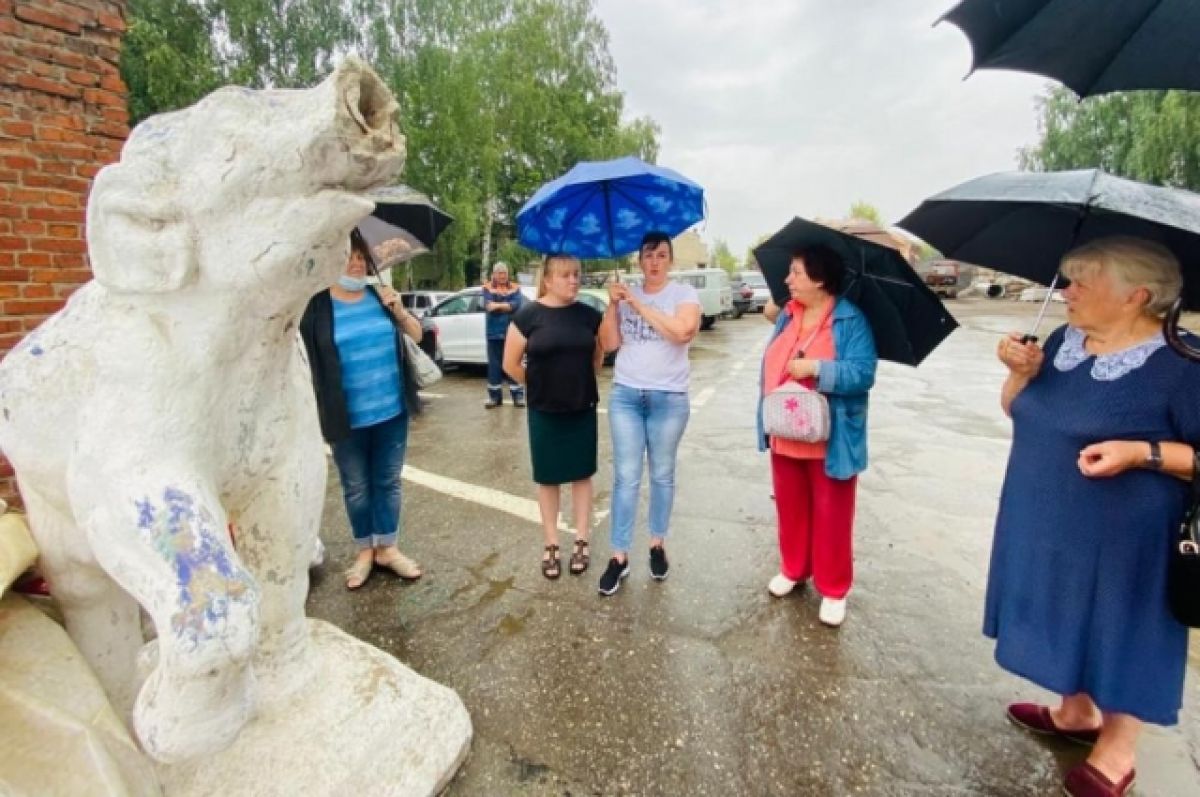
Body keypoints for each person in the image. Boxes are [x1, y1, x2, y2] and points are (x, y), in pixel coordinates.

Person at [987, 237, 1200, 797]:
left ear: (1137, 295)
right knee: (1066, 613)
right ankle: (1076, 714)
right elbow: (1019, 411)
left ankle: (1118, 749)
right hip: (1048, 519)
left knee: (1121, 627)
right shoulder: (1062, 342)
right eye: (1068, 278)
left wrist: (1141, 453)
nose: (1067, 292)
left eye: (1083, 281)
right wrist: (1022, 374)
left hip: (1130, 542)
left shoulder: (1182, 363)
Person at [755, 245, 877, 627]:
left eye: (796, 272)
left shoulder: (850, 320)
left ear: (820, 279)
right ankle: (793, 569)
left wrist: (817, 369)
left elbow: (863, 374)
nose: (788, 279)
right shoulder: (788, 315)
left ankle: (834, 587)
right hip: (785, 429)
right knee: (790, 507)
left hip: (830, 437)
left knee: (832, 514)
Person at [299, 229, 425, 590]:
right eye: (347, 256)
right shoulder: (317, 307)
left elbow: (416, 336)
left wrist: (399, 310)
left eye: (360, 257)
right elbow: (304, 360)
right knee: (356, 487)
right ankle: (364, 553)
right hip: (346, 417)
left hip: (391, 410)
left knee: (387, 482)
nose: (355, 263)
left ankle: (387, 548)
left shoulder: (379, 297)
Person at [596, 231, 701, 596]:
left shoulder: (683, 295)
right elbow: (609, 344)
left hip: (668, 399)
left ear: (670, 260)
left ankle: (657, 544)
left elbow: (683, 332)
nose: (654, 261)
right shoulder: (625, 295)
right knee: (625, 477)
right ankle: (619, 555)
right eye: (648, 255)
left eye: (661, 255)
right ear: (639, 260)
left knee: (661, 474)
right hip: (626, 394)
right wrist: (612, 304)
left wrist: (637, 305)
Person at [504, 254, 604, 579]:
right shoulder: (527, 317)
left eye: (577, 274)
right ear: (547, 280)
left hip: (581, 407)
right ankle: (551, 544)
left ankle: (581, 540)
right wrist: (540, 384)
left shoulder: (589, 315)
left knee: (581, 475)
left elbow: (598, 356)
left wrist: (577, 381)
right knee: (548, 478)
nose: (573, 280)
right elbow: (510, 365)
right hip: (544, 410)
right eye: (565, 275)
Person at [482, 261, 526, 408]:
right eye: (499, 273)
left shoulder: (516, 288)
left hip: (512, 333)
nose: (502, 276)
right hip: (493, 333)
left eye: (504, 273)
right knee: (494, 366)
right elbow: (489, 306)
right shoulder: (487, 287)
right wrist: (505, 306)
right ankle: (495, 398)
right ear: (494, 274)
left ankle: (518, 396)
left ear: (508, 274)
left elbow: (515, 305)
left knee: (514, 363)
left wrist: (498, 305)